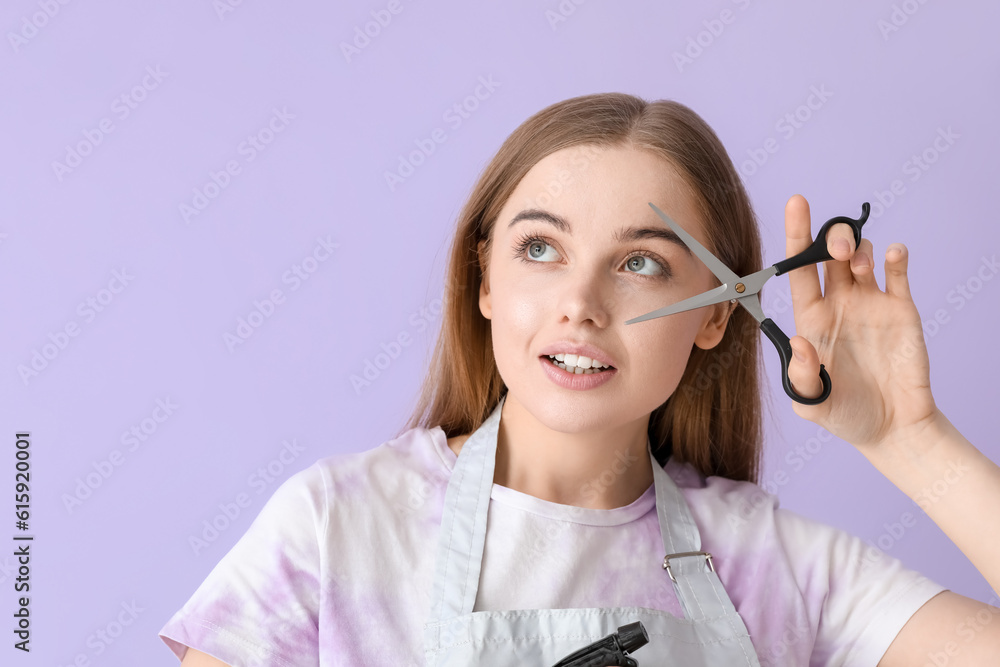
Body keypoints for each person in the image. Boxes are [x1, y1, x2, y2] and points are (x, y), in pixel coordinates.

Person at [158, 93, 1000, 666]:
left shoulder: (769, 563)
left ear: (716, 315)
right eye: (540, 248)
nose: (580, 304)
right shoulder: (337, 527)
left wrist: (909, 440)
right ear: (485, 281)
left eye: (640, 261)